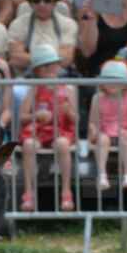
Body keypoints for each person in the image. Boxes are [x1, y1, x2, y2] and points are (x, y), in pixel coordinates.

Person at [17, 45, 78, 212]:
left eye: (53, 64)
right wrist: (36, 116)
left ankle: (66, 192)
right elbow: (22, 117)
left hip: (61, 130)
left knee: (63, 144)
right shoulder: (34, 89)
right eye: (45, 66)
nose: (50, 69)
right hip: (38, 131)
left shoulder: (68, 89)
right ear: (37, 70)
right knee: (29, 144)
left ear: (58, 66)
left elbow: (77, 120)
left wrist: (69, 111)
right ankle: (28, 192)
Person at [8, 0, 78, 76]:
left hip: (59, 78)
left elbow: (67, 58)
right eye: (36, 0)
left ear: (55, 1)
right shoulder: (17, 24)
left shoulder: (68, 24)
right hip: (28, 79)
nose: (42, 4)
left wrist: (34, 59)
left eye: (47, 0)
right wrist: (50, 60)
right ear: (29, 2)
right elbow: (16, 58)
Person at [88, 60, 127, 191]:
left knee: (126, 139)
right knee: (102, 139)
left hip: (124, 131)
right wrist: (93, 131)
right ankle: (102, 175)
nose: (112, 84)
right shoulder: (97, 98)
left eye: (117, 80)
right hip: (105, 131)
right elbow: (93, 121)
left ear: (125, 84)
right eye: (108, 80)